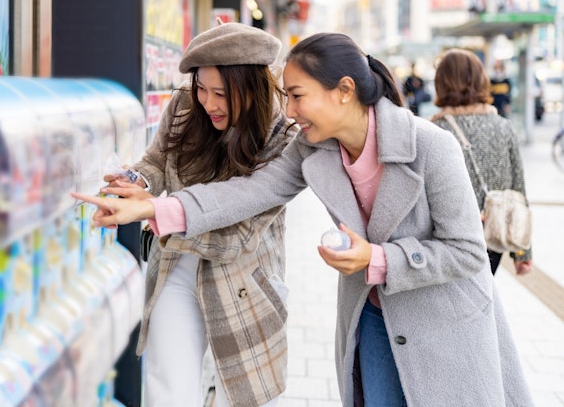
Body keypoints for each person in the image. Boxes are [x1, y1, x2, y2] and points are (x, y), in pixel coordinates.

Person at [74, 32, 533, 407]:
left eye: (297, 96)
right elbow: (251, 191)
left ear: (344, 91)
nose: (290, 111)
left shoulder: (432, 146)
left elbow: (469, 252)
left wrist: (377, 258)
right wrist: (152, 205)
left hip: (443, 319)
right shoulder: (314, 148)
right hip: (370, 314)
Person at [106, 22, 294, 407]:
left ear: (251, 87)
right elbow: (156, 161)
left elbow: (238, 235)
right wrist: (136, 180)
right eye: (202, 89)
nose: (208, 103)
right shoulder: (185, 106)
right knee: (167, 391)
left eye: (221, 93)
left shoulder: (282, 135)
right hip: (177, 266)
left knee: (243, 398)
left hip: (245, 278)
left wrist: (155, 212)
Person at [430, 48, 533, 276]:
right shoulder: (503, 126)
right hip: (494, 235)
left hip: (449, 243)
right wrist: (522, 252)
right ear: (481, 81)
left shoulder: (433, 131)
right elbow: (518, 189)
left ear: (441, 83)